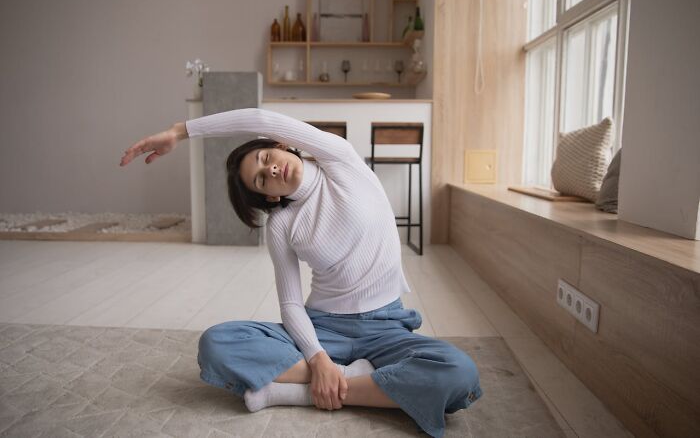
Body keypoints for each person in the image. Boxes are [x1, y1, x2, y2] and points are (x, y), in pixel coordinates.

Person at [120, 108, 482, 437]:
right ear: (270, 197)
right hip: (324, 329)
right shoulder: (281, 223)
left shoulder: (340, 161)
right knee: (217, 344)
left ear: (283, 146)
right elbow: (291, 304)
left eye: (266, 158)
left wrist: (180, 131)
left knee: (459, 374)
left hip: (385, 328)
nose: (271, 170)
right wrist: (317, 356)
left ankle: (300, 392)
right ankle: (359, 383)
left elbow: (260, 119)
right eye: (261, 180)